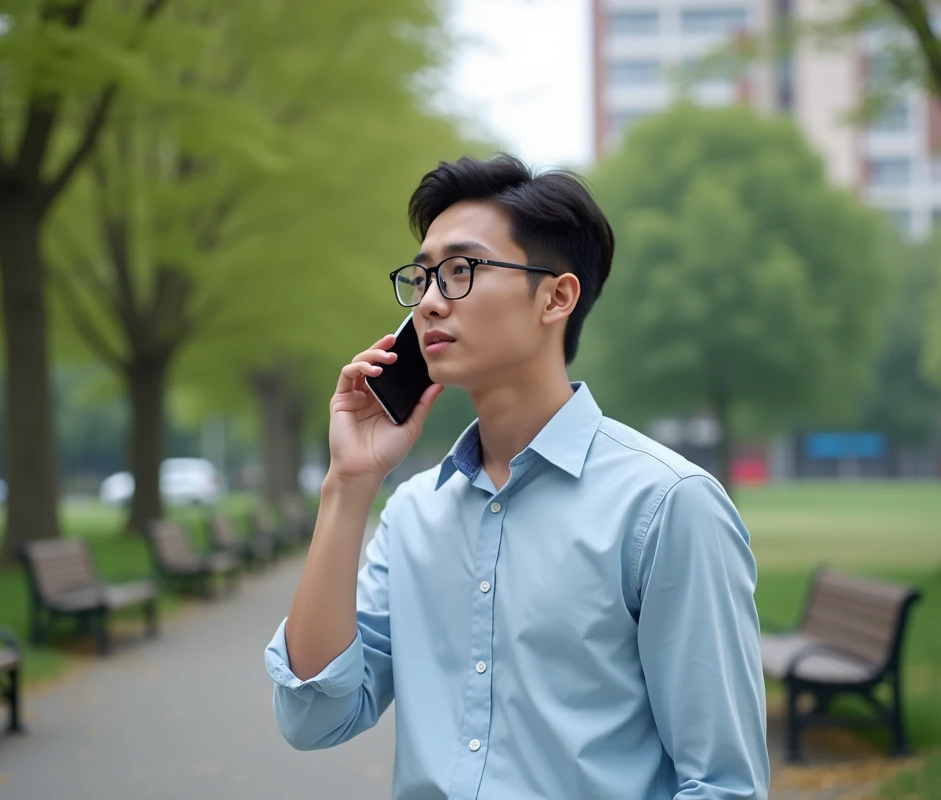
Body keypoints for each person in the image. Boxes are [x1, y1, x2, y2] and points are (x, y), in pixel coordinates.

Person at [264, 154, 770, 799]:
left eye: (459, 271)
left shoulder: (666, 505)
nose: (428, 303)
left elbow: (722, 784)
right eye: (421, 277)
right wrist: (348, 483)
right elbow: (314, 718)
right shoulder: (415, 513)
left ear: (556, 295)